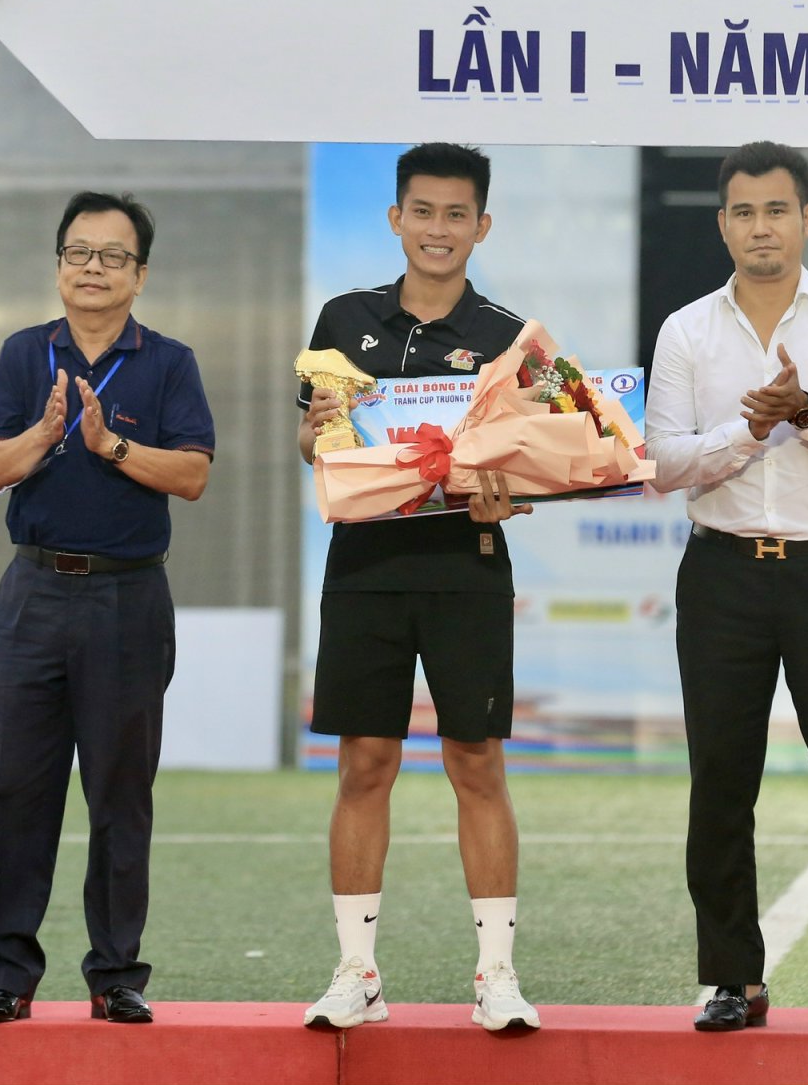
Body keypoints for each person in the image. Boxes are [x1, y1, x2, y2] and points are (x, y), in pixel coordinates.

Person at [644, 142, 808, 1035]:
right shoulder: (686, 330)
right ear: (722, 224)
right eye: (744, 212)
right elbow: (662, 462)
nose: (761, 227)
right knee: (721, 782)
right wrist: (749, 431)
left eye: (777, 210)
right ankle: (734, 979)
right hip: (722, 572)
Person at [295, 142, 542, 1033]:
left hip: (465, 565)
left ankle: (496, 975)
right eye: (423, 211)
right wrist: (321, 429)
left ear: (482, 225)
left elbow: (531, 467)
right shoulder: (342, 317)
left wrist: (511, 491)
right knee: (365, 762)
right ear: (397, 218)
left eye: (456, 214)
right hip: (364, 566)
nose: (439, 229)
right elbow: (312, 445)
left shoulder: (511, 339)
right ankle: (356, 972)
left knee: (476, 762)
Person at [0, 191, 215, 1026]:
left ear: (140, 274)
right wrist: (44, 434)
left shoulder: (168, 361)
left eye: (113, 256)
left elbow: (192, 474)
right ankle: (6, 974)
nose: (93, 268)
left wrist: (110, 443)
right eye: (79, 252)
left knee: (119, 793)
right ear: (59, 266)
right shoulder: (22, 352)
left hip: (127, 596)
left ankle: (116, 974)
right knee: (15, 791)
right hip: (34, 592)